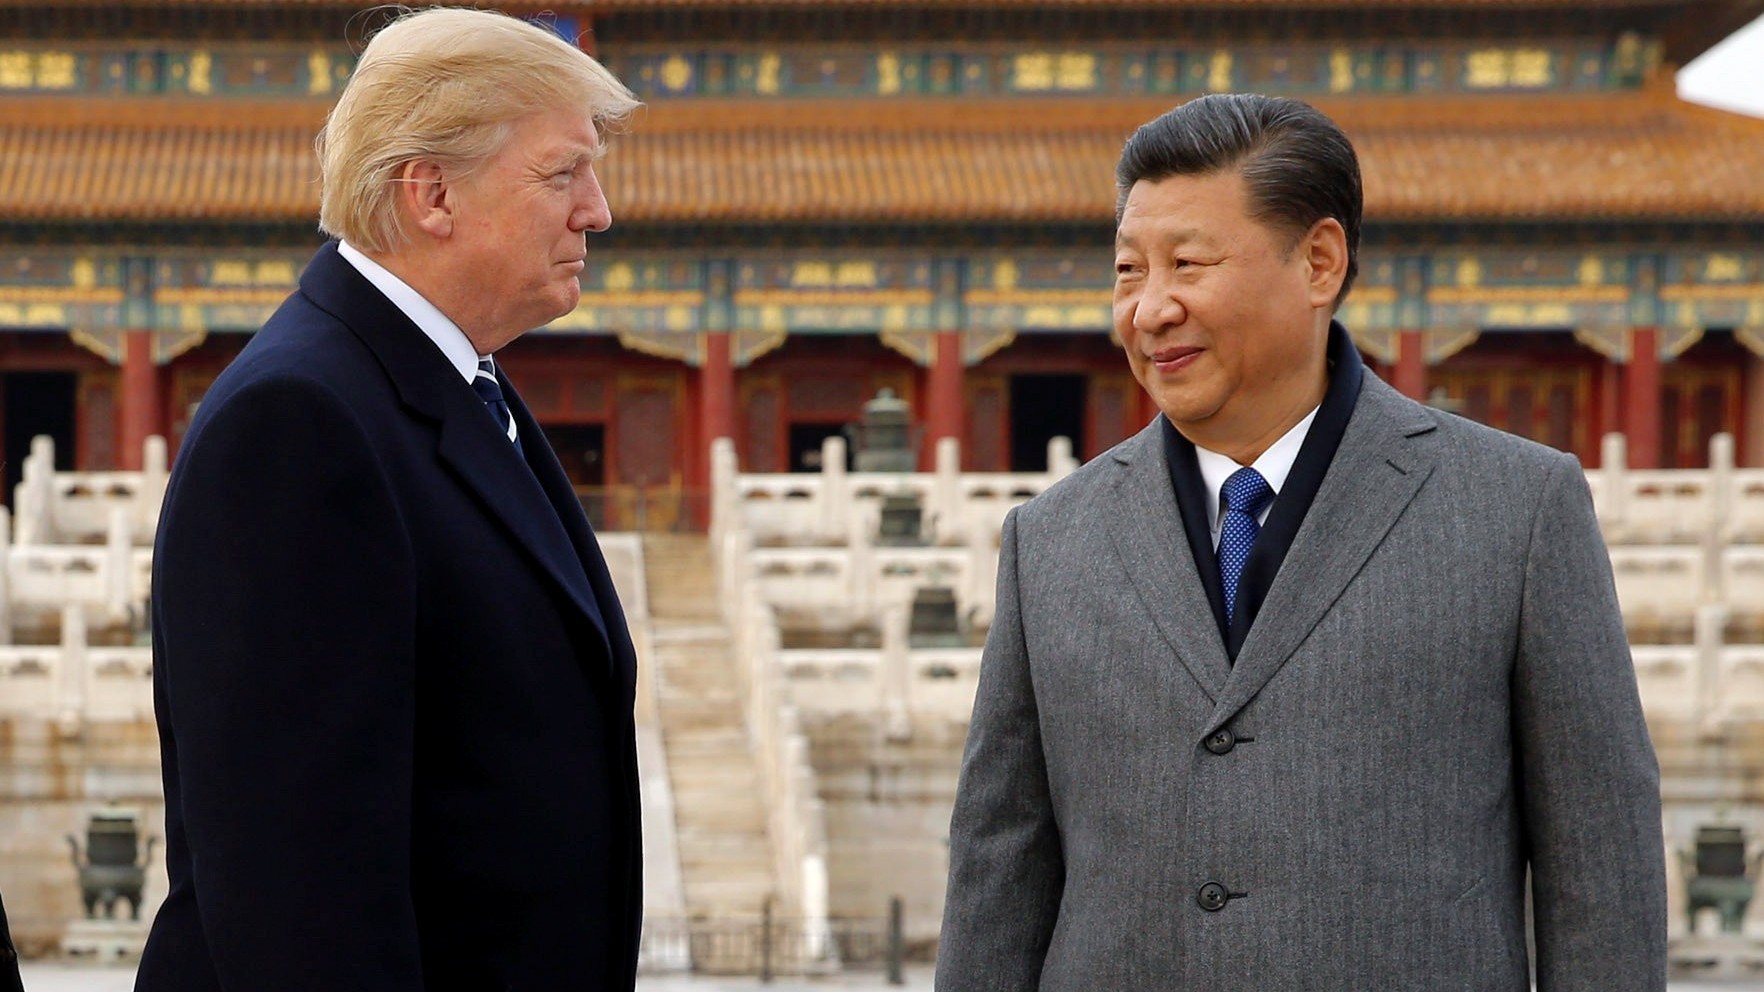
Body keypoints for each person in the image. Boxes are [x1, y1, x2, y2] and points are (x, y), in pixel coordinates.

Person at [936, 93, 1665, 990]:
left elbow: (1602, 864)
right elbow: (997, 868)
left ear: (1319, 261)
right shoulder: (1051, 539)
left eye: (1187, 264)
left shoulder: (1516, 509)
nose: (1149, 310)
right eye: (1129, 271)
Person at [136, 9, 643, 990]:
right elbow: (298, 890)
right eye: (562, 173)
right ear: (432, 193)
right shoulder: (301, 420)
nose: (598, 210)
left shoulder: (450, 384)